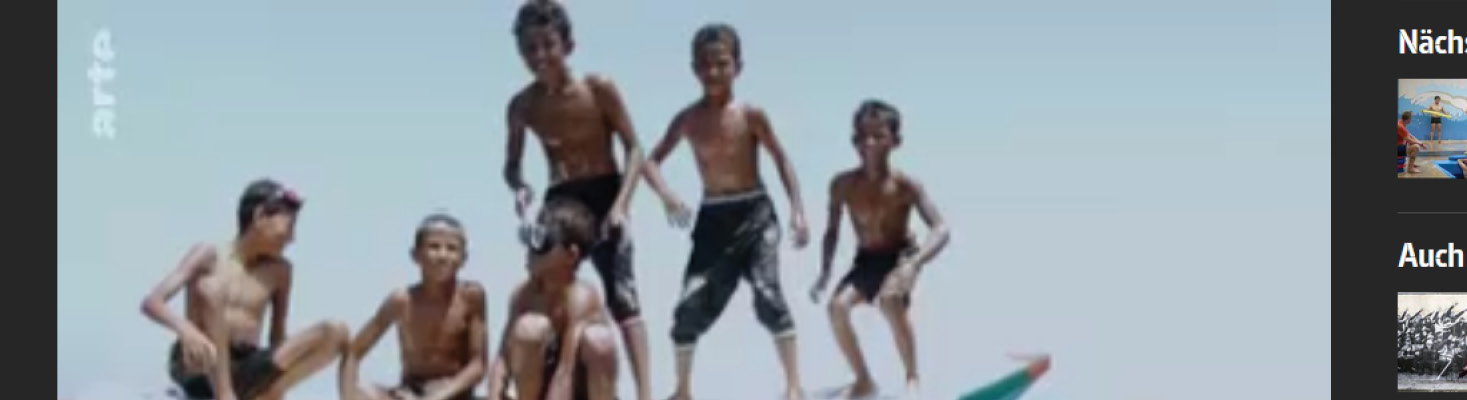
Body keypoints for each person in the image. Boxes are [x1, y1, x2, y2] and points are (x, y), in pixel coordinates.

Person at [638, 22, 809, 400]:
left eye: (721, 63)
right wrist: (667, 195)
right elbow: (649, 162)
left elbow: (781, 159)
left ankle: (794, 386)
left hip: (755, 215)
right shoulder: (688, 118)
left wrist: (797, 211)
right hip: (713, 219)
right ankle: (682, 390)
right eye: (704, 64)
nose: (713, 72)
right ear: (693, 69)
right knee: (688, 306)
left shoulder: (750, 114)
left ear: (737, 66)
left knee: (767, 293)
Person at [502, 2, 662, 398]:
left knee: (623, 295)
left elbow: (634, 149)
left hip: (606, 192)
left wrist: (622, 205)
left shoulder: (598, 88)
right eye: (530, 48)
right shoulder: (522, 106)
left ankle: (645, 392)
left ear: (568, 46)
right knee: (541, 286)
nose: (539, 55)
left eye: (548, 45)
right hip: (561, 199)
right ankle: (530, 383)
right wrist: (520, 186)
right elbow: (512, 166)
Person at [139, 178, 350, 400]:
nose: (291, 239)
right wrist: (186, 331)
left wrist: (277, 385)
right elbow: (152, 302)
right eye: (288, 228)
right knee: (211, 289)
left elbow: (277, 337)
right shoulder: (209, 256)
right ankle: (224, 394)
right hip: (200, 365)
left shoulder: (280, 271)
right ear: (259, 217)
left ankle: (266, 394)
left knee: (335, 332)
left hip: (246, 366)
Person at [809, 100, 951, 399]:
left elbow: (941, 228)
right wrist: (824, 273)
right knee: (836, 308)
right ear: (853, 140)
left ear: (895, 141)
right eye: (862, 136)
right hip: (867, 261)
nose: (869, 143)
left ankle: (912, 379)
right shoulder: (842, 185)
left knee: (890, 300)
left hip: (901, 256)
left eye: (878, 136)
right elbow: (832, 232)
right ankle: (864, 381)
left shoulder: (906, 185)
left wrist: (915, 263)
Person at [339, 214, 488, 400]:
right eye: (434, 247)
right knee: (367, 393)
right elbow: (354, 351)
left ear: (463, 258)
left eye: (452, 248)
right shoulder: (401, 301)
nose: (443, 255)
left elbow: (478, 365)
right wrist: (348, 394)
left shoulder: (471, 297)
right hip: (410, 392)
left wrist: (440, 395)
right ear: (415, 255)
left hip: (456, 393)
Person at [486, 199, 620, 400]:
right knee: (529, 329)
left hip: (577, 391)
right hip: (539, 390)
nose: (531, 252)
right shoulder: (523, 294)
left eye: (543, 244)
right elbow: (503, 356)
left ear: (571, 255)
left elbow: (566, 370)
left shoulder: (581, 297)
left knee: (599, 340)